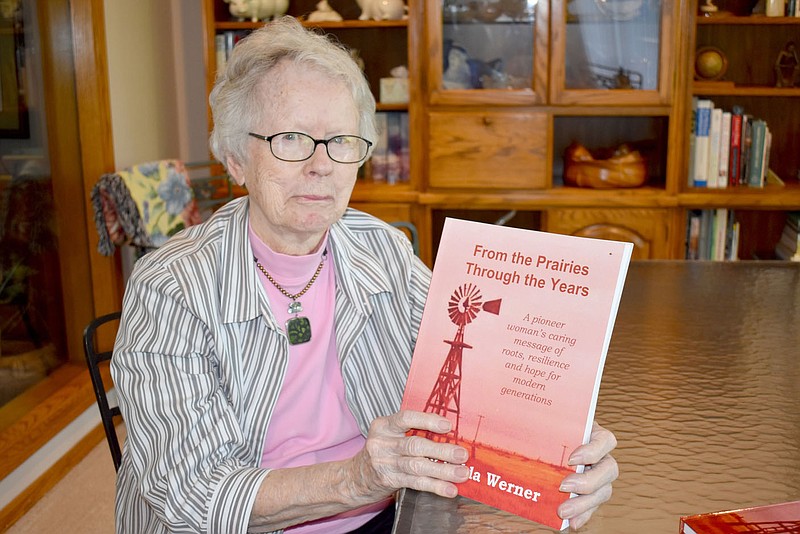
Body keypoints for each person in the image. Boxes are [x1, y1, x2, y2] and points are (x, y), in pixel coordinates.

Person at [111, 16, 618, 534]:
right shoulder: (169, 290)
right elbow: (192, 493)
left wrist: (566, 441)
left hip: (385, 513)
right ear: (238, 159)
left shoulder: (381, 248)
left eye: (341, 141)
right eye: (291, 139)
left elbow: (486, 372)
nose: (321, 165)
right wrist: (358, 479)